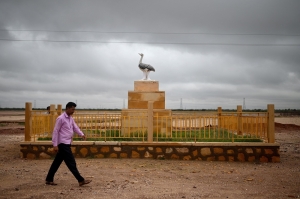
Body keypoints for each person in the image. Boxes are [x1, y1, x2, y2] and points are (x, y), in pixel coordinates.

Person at [45, 102, 92, 186]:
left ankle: (49, 179)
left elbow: (75, 127)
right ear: (68, 108)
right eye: (72, 109)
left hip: (67, 142)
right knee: (71, 162)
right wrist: (55, 145)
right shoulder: (61, 118)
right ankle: (80, 180)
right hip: (63, 144)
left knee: (57, 162)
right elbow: (55, 131)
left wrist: (81, 134)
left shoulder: (70, 118)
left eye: (74, 109)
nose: (73, 111)